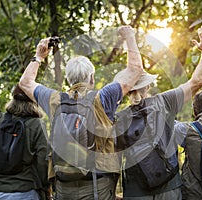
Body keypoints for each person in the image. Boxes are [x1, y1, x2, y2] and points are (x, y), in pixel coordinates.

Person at [18, 25, 143, 199]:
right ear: (91, 78)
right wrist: (129, 36)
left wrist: (39, 56)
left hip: (63, 186)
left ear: (69, 79)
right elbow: (136, 69)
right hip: (97, 186)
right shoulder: (103, 97)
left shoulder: (54, 100)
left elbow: (25, 83)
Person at [115, 25, 202, 199]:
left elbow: (113, 159)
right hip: (169, 187)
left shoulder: (120, 118)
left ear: (127, 90)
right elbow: (197, 82)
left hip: (136, 191)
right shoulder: (164, 102)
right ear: (147, 85)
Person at [0, 85, 49, 200]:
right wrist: (46, 187)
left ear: (13, 98)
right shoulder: (36, 124)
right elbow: (43, 161)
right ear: (34, 100)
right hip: (24, 190)